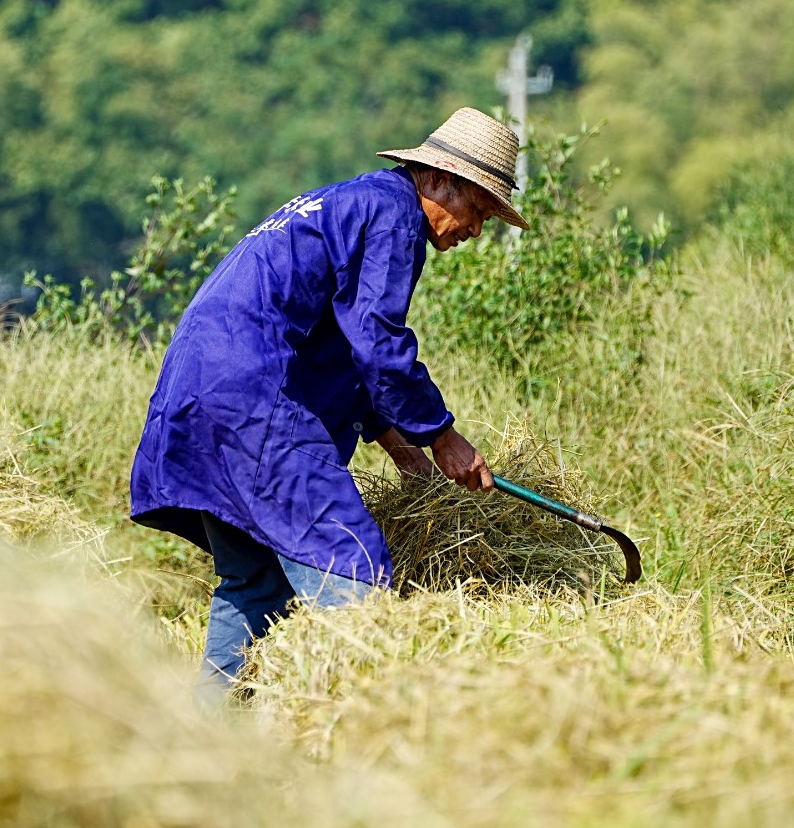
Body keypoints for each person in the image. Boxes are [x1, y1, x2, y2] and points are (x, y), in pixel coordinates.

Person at [129, 107, 531, 693]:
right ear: (442, 180)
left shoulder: (352, 202)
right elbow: (379, 344)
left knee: (255, 583)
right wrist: (443, 437)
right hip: (255, 404)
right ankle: (352, 742)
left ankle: (204, 746)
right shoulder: (395, 218)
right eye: (480, 210)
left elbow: (343, 345)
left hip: (195, 395)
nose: (476, 231)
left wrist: (405, 450)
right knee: (355, 578)